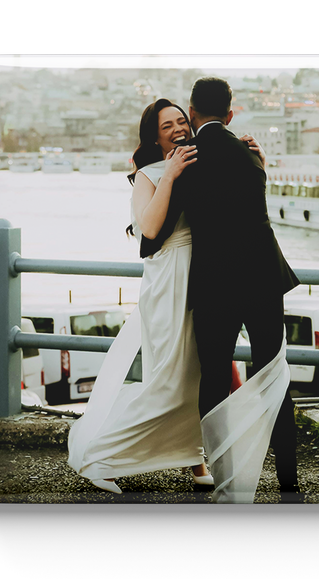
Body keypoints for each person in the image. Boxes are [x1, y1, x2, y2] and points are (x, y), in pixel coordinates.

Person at [141, 77, 301, 503]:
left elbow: (155, 234)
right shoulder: (251, 155)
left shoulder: (187, 158)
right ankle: (289, 481)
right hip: (265, 277)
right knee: (272, 376)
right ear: (230, 115)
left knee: (213, 380)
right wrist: (262, 166)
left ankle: (226, 477)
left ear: (192, 113)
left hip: (215, 283)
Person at [67, 98, 213, 493]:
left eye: (181, 121)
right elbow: (149, 228)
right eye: (167, 126)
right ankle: (101, 457)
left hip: (200, 276)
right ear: (155, 138)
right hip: (169, 280)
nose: (178, 129)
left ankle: (195, 459)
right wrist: (170, 174)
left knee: (194, 375)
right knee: (168, 378)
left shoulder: (202, 163)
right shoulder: (149, 174)